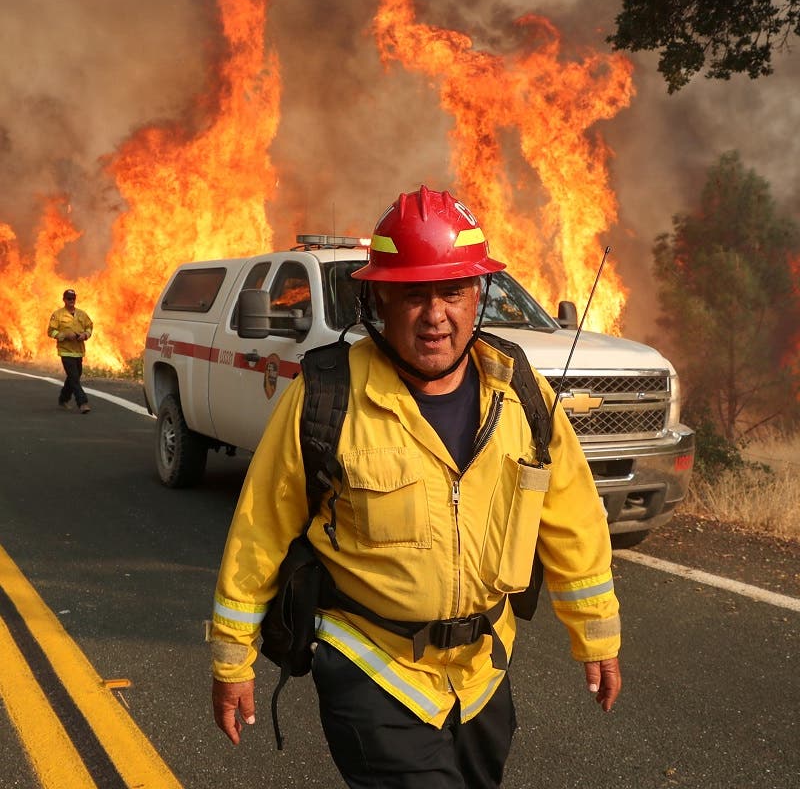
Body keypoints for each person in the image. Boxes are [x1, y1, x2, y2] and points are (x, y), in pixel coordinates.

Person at [210, 186, 621, 788]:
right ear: (377, 298)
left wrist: (597, 633)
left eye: (452, 291)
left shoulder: (518, 393)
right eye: (412, 294)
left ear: (477, 296)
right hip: (372, 669)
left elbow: (573, 519)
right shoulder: (327, 394)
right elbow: (259, 532)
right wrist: (231, 656)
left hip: (482, 672)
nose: (435, 315)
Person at [47, 288, 93, 414]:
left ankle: (63, 399)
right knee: (74, 377)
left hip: (79, 351)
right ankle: (82, 402)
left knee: (75, 376)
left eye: (73, 298)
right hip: (66, 351)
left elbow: (89, 326)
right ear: (64, 300)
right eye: (68, 298)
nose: (71, 301)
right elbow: (51, 331)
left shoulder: (82, 314)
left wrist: (85, 335)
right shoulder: (58, 315)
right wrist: (65, 335)